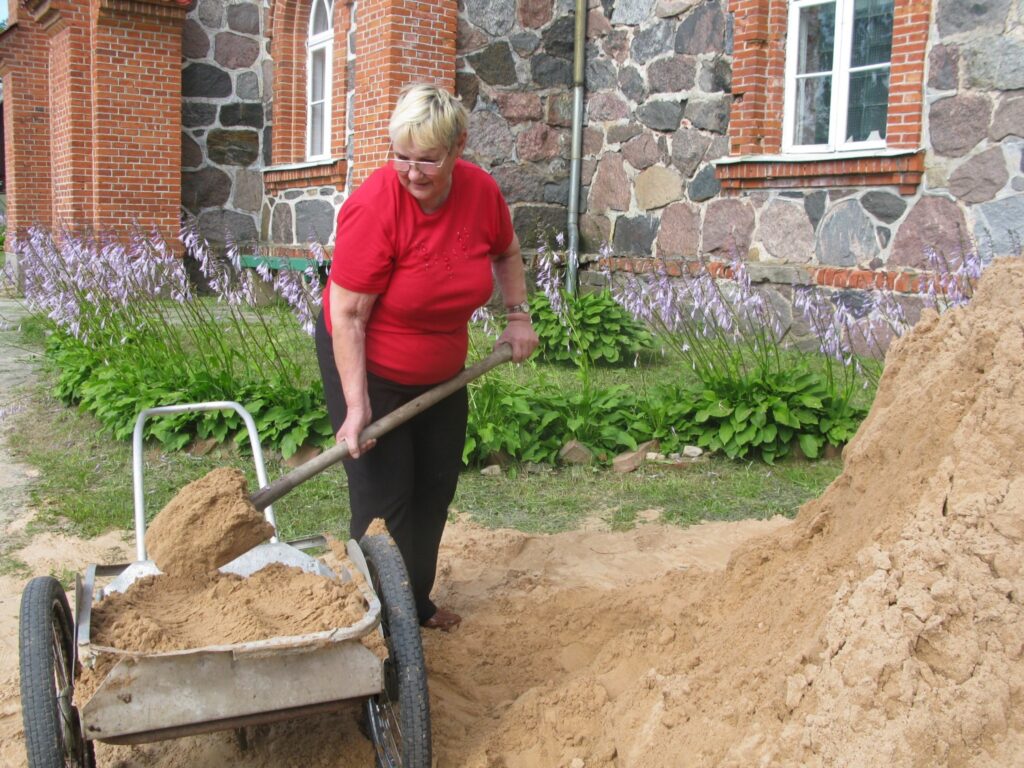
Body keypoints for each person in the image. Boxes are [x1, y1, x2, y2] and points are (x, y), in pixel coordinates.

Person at [315, 84, 538, 631]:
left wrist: (518, 315)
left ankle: (414, 605)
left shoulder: (480, 194)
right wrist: (356, 406)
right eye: (402, 158)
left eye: (427, 160)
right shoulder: (374, 207)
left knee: (435, 489)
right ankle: (379, 627)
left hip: (442, 372)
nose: (412, 173)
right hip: (370, 365)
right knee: (383, 507)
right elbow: (347, 317)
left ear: (458, 147)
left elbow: (506, 251)